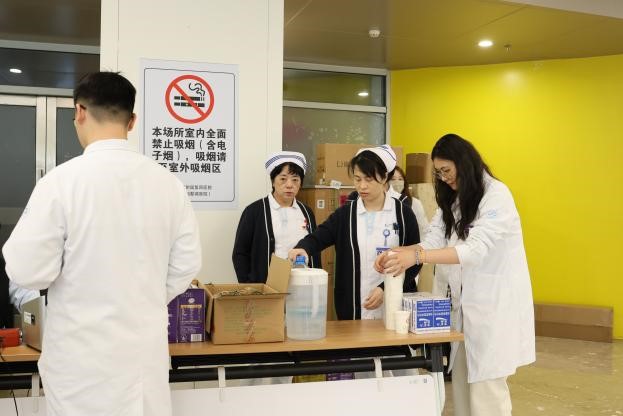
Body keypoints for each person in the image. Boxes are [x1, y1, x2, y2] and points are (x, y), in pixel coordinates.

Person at [2, 72, 202, 416]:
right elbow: (186, 265)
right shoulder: (169, 185)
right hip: (143, 360)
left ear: (79, 111)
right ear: (132, 120)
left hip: (81, 363)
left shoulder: (61, 183)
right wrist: (143, 294)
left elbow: (27, 271)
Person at [376, 133, 535, 416]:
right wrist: (397, 253)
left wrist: (416, 257)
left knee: (486, 391)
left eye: (447, 170)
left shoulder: (496, 195)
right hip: (463, 308)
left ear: (464, 162)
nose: (444, 178)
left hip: (492, 308)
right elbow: (433, 240)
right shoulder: (454, 198)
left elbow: (474, 251)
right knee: (461, 382)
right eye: (438, 173)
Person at [289, 145, 422, 321]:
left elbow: (416, 259)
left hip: (395, 309)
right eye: (357, 179)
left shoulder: (403, 214)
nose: (362, 186)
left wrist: (385, 288)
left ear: (384, 178)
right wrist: (303, 248)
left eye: (368, 179)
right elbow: (320, 236)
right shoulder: (345, 214)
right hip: (352, 309)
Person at [232, 151, 320, 283]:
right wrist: (249, 287)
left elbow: (314, 247)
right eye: (283, 179)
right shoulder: (254, 211)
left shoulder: (306, 211)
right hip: (268, 286)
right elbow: (240, 253)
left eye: (295, 179)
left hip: (302, 284)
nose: (289, 185)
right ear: (273, 181)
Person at [387, 165, 429, 238]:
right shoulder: (383, 203)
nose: (397, 182)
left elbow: (424, 230)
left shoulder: (414, 203)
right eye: (393, 179)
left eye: (400, 179)